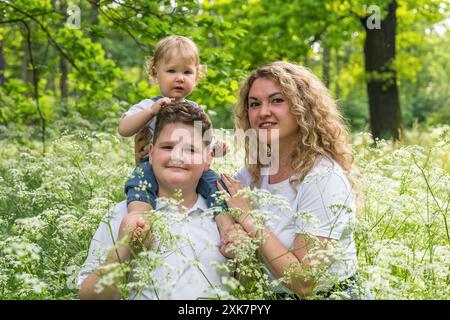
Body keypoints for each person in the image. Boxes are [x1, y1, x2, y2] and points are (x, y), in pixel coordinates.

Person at [216, 61, 365, 299]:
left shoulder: (323, 177)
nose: (263, 111)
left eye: (277, 100)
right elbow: (214, 195)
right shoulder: (255, 171)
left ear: (302, 107)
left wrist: (248, 218)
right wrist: (229, 227)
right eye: (254, 104)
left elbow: (303, 282)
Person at [78, 102, 227, 299]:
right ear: (150, 153)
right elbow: (88, 297)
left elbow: (247, 290)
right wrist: (123, 248)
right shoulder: (122, 215)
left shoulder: (225, 221)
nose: (177, 156)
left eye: (190, 150)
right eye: (167, 147)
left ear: (208, 159)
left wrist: (241, 261)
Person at [117, 35, 233, 250]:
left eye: (187, 72)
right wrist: (151, 112)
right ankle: (139, 224)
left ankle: (227, 230)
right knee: (140, 183)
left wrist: (216, 148)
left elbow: (204, 143)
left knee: (216, 185)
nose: (179, 78)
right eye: (171, 71)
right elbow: (124, 129)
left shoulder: (196, 110)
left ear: (196, 77)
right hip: (154, 165)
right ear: (155, 74)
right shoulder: (148, 106)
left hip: (192, 167)